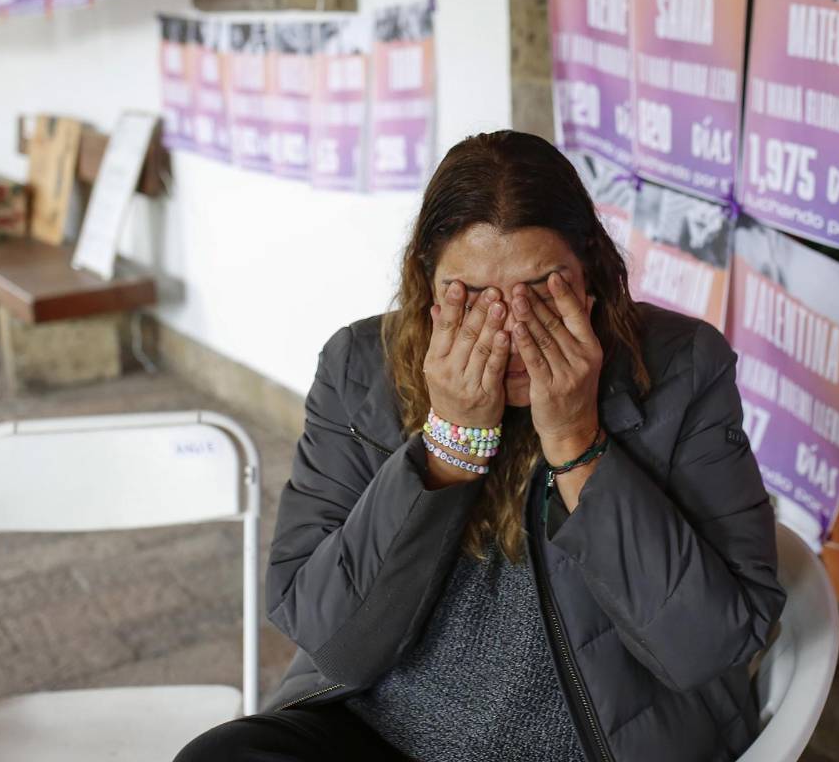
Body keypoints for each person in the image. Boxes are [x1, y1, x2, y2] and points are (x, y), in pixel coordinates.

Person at [174, 131, 785, 762]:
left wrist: (578, 441)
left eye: (543, 288)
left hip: (591, 741)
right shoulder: (360, 368)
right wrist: (449, 444)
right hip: (379, 726)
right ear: (426, 285)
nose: (510, 330)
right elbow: (330, 637)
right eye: (470, 296)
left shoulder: (682, 366)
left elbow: (712, 644)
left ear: (592, 273)